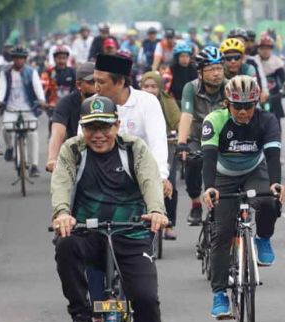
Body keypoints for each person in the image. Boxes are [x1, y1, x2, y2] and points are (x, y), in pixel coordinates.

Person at [50, 95, 168, 322]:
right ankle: (81, 314)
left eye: (105, 126)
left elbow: (150, 180)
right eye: (91, 128)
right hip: (90, 233)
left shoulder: (133, 149)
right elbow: (61, 182)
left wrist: (156, 210)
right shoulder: (73, 150)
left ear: (117, 125)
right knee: (65, 245)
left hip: (130, 233)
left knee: (146, 301)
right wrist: (62, 213)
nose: (99, 134)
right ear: (82, 129)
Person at [200, 75, 285, 318]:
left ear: (256, 103)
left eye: (249, 106)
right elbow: (208, 157)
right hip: (223, 175)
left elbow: (272, 156)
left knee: (269, 200)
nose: (244, 112)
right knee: (222, 232)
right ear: (227, 103)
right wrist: (209, 187)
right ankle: (219, 293)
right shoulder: (214, 120)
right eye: (238, 106)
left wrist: (276, 183)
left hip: (253, 171)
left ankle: (263, 238)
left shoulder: (267, 120)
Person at [92, 54, 170, 190]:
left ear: (121, 82)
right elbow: (82, 141)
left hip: (140, 175)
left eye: (101, 82)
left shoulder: (148, 102)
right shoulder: (93, 104)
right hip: (103, 177)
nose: (96, 88)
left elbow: (158, 142)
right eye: (95, 81)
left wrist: (161, 176)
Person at [176, 46, 227, 225]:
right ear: (200, 72)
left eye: (219, 68)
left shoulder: (229, 87)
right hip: (198, 139)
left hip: (223, 140)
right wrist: (182, 143)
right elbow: (186, 115)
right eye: (211, 69)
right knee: (192, 160)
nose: (216, 74)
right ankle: (195, 203)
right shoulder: (190, 88)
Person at [141, 71, 181, 240]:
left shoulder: (168, 102)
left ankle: (169, 224)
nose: (150, 90)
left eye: (153, 87)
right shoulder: (136, 104)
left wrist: (179, 135)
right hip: (141, 149)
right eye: (146, 86)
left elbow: (178, 122)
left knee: (168, 184)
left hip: (166, 147)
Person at [0, 45, 47, 177]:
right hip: (10, 108)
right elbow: (1, 88)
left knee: (33, 134)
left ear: (25, 59)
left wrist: (41, 100)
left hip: (28, 108)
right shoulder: (5, 72)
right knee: (6, 128)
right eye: (16, 58)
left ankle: (34, 166)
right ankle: (9, 147)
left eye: (21, 58)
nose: (19, 61)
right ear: (12, 59)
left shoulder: (31, 72)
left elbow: (38, 87)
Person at [45, 62, 97, 172]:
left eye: (99, 81)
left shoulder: (108, 101)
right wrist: (52, 159)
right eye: (91, 82)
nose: (96, 87)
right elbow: (57, 133)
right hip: (77, 153)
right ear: (78, 84)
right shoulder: (65, 103)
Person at [226, 28, 269, 103]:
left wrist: (264, 90)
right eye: (229, 58)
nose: (237, 44)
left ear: (246, 44)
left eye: (241, 42)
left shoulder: (252, 61)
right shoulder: (221, 60)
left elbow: (260, 77)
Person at [257, 35, 285, 119]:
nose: (265, 51)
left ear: (271, 49)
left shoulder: (277, 62)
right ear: (258, 49)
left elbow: (283, 78)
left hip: (274, 94)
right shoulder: (255, 62)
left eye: (267, 48)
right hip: (259, 94)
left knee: (276, 115)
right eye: (262, 48)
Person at [169, 41, 197, 105]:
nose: (185, 59)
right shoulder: (171, 70)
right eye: (182, 56)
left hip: (191, 100)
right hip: (175, 101)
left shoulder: (193, 69)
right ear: (177, 58)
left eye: (187, 56)